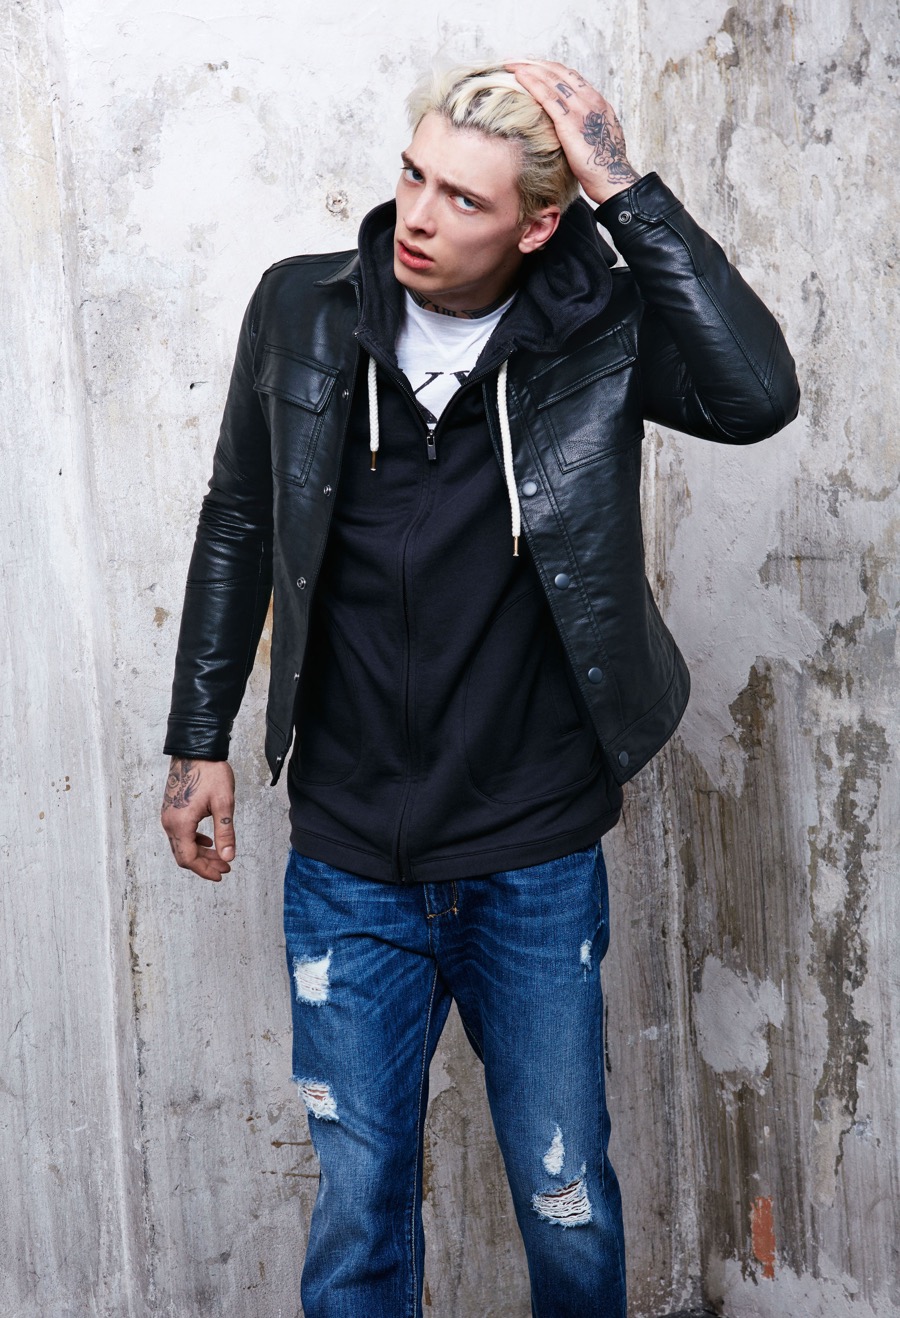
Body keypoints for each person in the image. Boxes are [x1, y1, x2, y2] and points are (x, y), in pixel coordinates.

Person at [161, 58, 799, 1318]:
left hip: (532, 852)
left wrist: (623, 184)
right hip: (348, 853)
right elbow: (238, 516)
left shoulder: (598, 331)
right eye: (414, 176)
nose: (417, 215)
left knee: (566, 1198)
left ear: (539, 224)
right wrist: (199, 741)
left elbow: (757, 393)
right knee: (358, 1210)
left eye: (463, 198)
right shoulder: (302, 310)